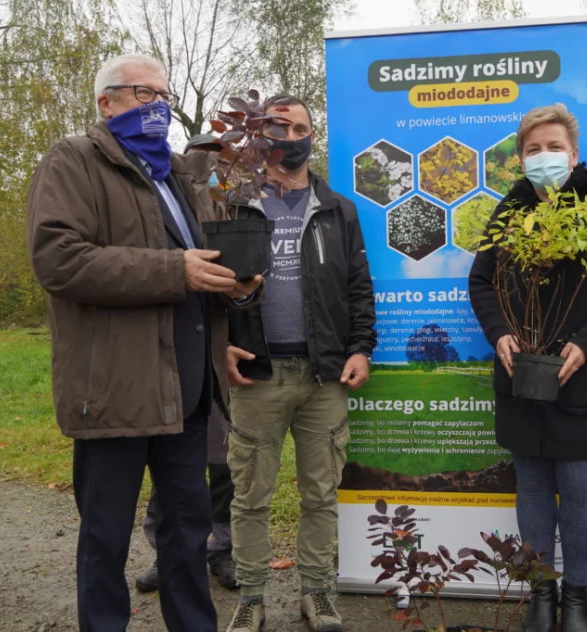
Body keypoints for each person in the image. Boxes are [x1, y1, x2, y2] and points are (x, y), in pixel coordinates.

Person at [27, 53, 262, 632]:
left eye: (165, 96)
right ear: (105, 103)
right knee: (104, 536)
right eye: (142, 94)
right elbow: (58, 260)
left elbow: (197, 273)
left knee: (188, 534)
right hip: (115, 390)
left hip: (185, 392)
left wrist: (231, 302)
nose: (158, 106)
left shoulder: (177, 175)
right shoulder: (72, 162)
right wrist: (172, 270)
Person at [468, 104, 587, 632]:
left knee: (579, 484)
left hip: (584, 374)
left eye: (553, 148)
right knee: (530, 483)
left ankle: (577, 599)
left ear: (572, 154)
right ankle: (541, 595)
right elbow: (482, 281)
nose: (543, 157)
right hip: (523, 371)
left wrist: (586, 342)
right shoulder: (509, 213)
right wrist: (499, 331)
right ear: (520, 158)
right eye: (532, 149)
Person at [223, 94, 377, 632]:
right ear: (259, 136)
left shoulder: (338, 209)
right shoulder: (235, 206)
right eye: (278, 128)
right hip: (258, 375)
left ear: (314, 136)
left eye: (300, 128)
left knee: (320, 494)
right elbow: (208, 289)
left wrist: (361, 348)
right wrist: (220, 343)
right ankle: (251, 595)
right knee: (250, 496)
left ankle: (318, 592)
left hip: (323, 375)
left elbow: (359, 287)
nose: (290, 138)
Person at [136, 133, 238, 593]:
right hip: (180, 357)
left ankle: (221, 549)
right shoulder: (175, 207)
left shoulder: (242, 206)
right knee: (174, 466)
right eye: (205, 161)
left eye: (222, 161)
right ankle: (169, 553)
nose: (214, 170)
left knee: (223, 466)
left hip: (229, 360)